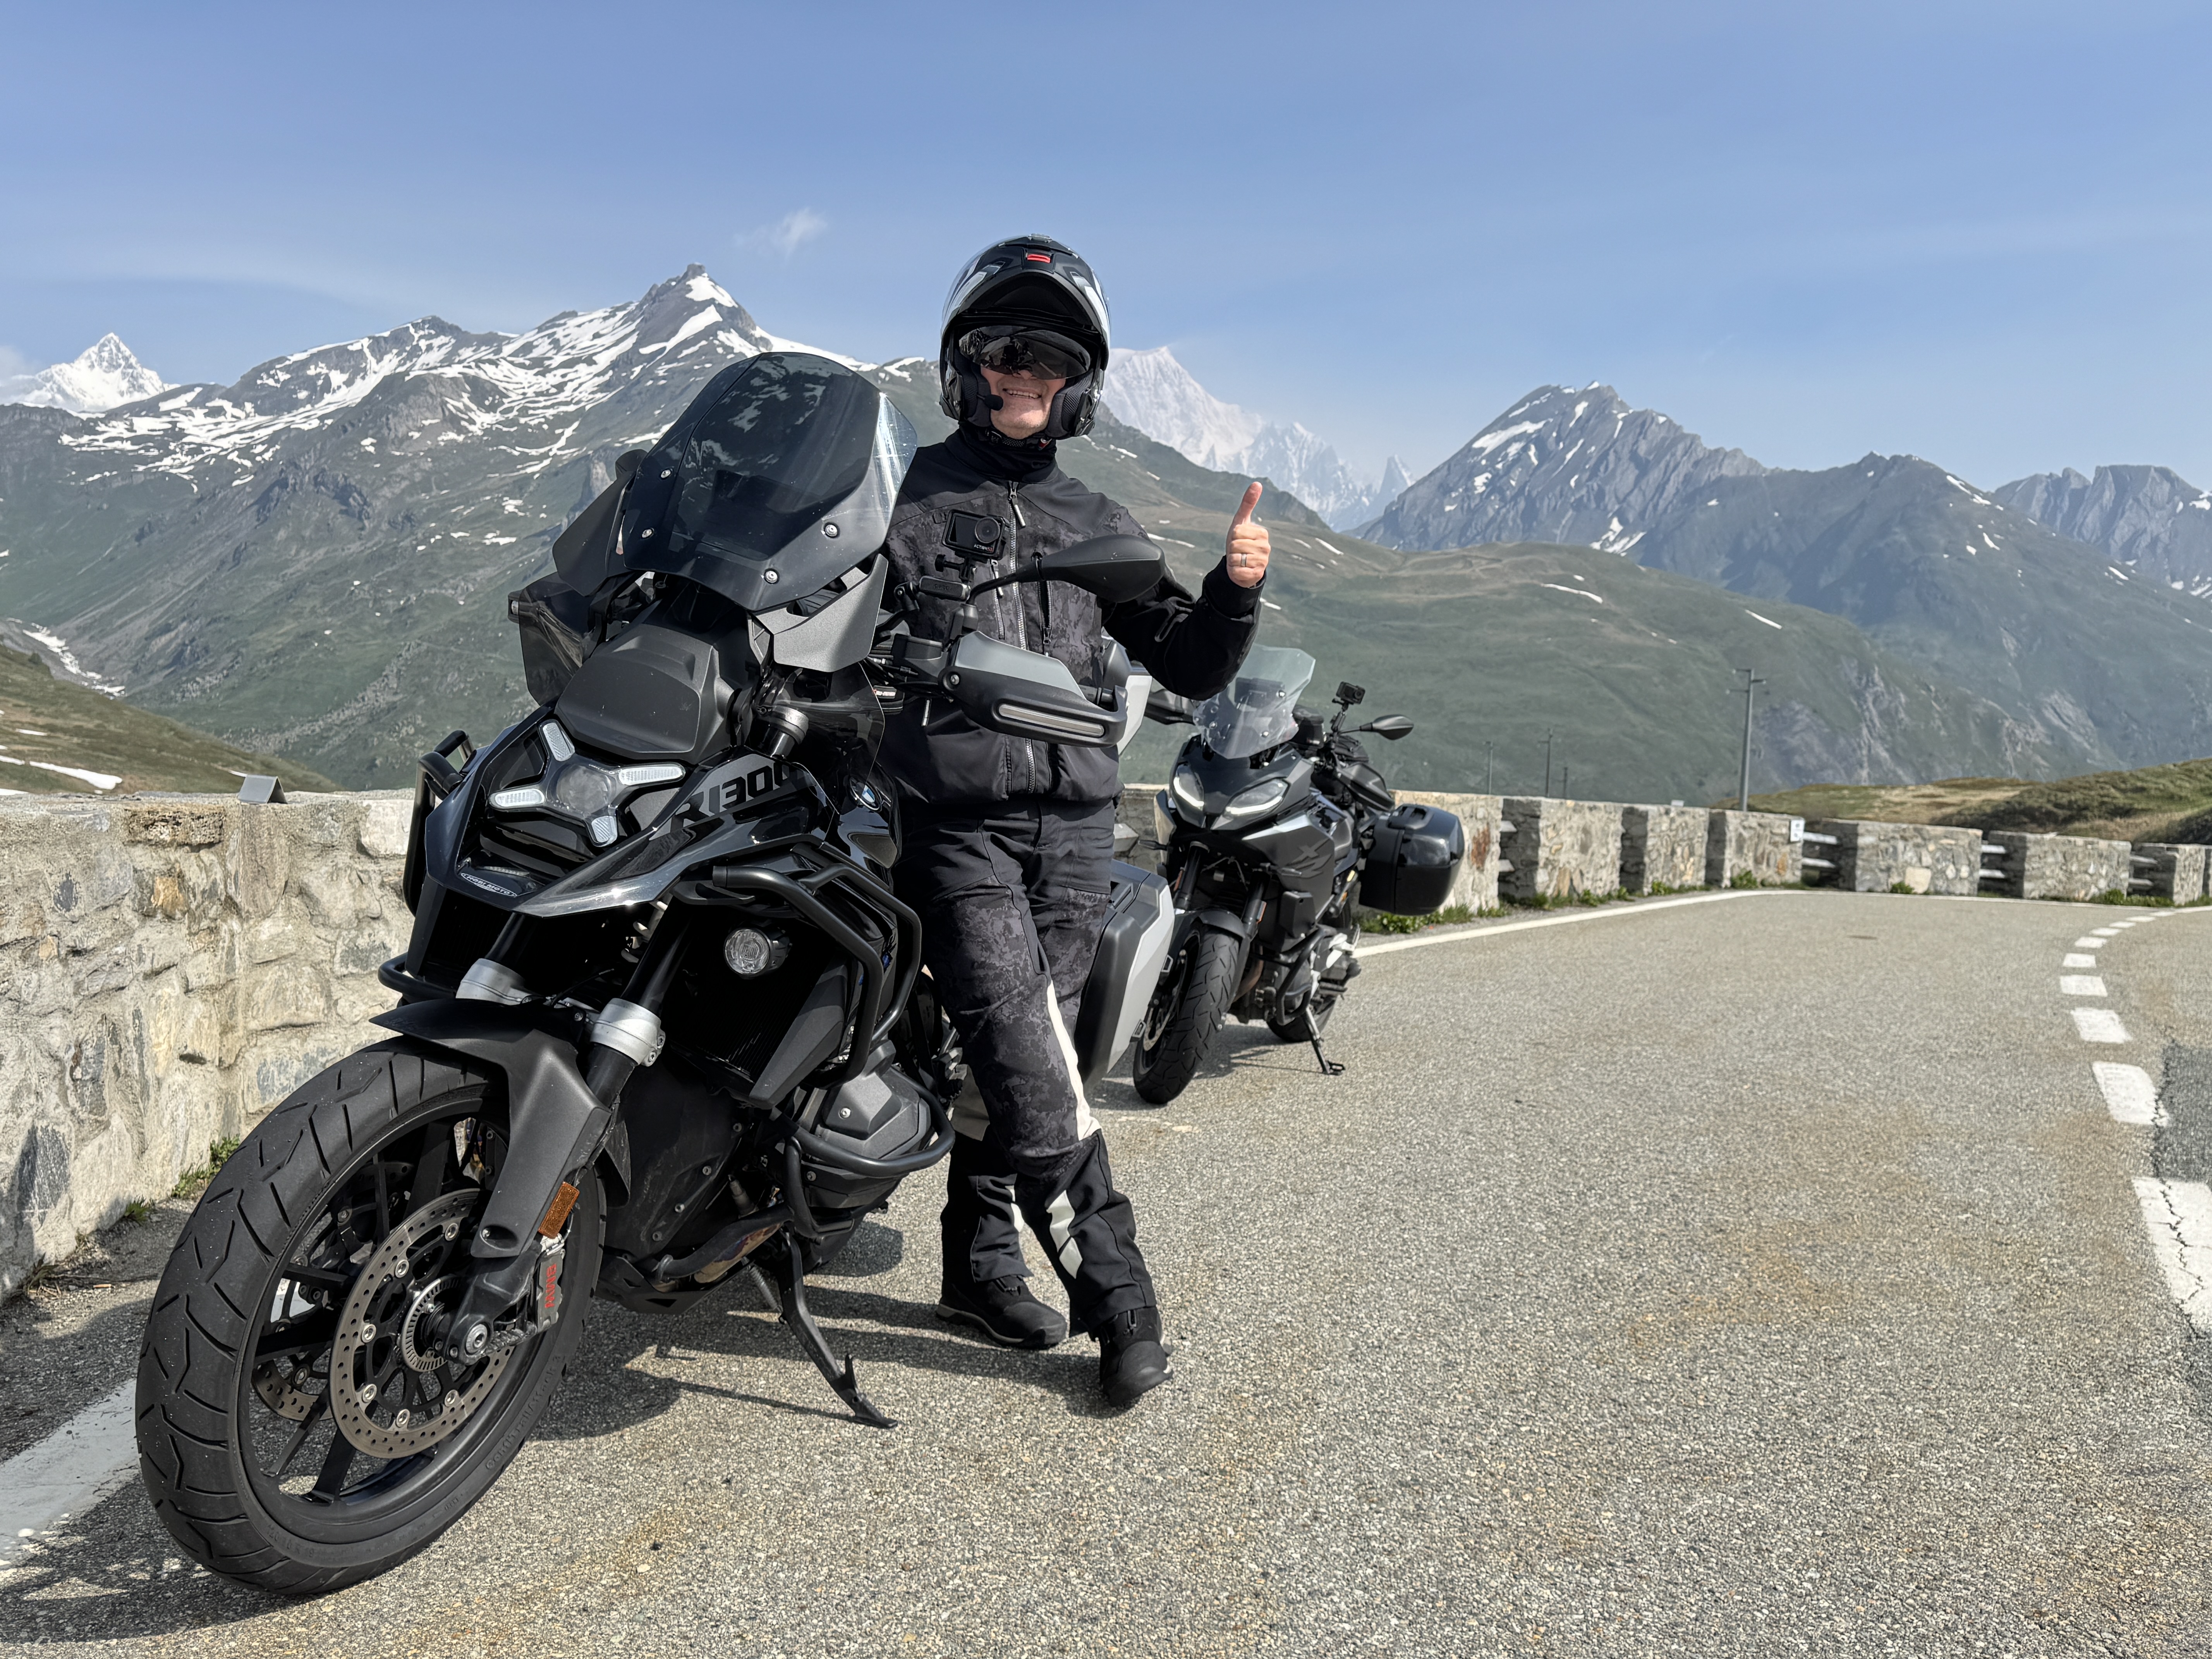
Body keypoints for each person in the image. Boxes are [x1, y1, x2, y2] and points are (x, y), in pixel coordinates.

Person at [881, 235, 1270, 1405]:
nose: (1024, 373)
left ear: (1078, 384)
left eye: (1049, 357)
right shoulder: (905, 496)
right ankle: (1118, 1291)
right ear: (965, 362)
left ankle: (977, 1261)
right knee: (1027, 1047)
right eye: (1004, 348)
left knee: (1028, 1051)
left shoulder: (1097, 516)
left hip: (1075, 831)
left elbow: (1190, 663)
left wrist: (1235, 593)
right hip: (958, 822)